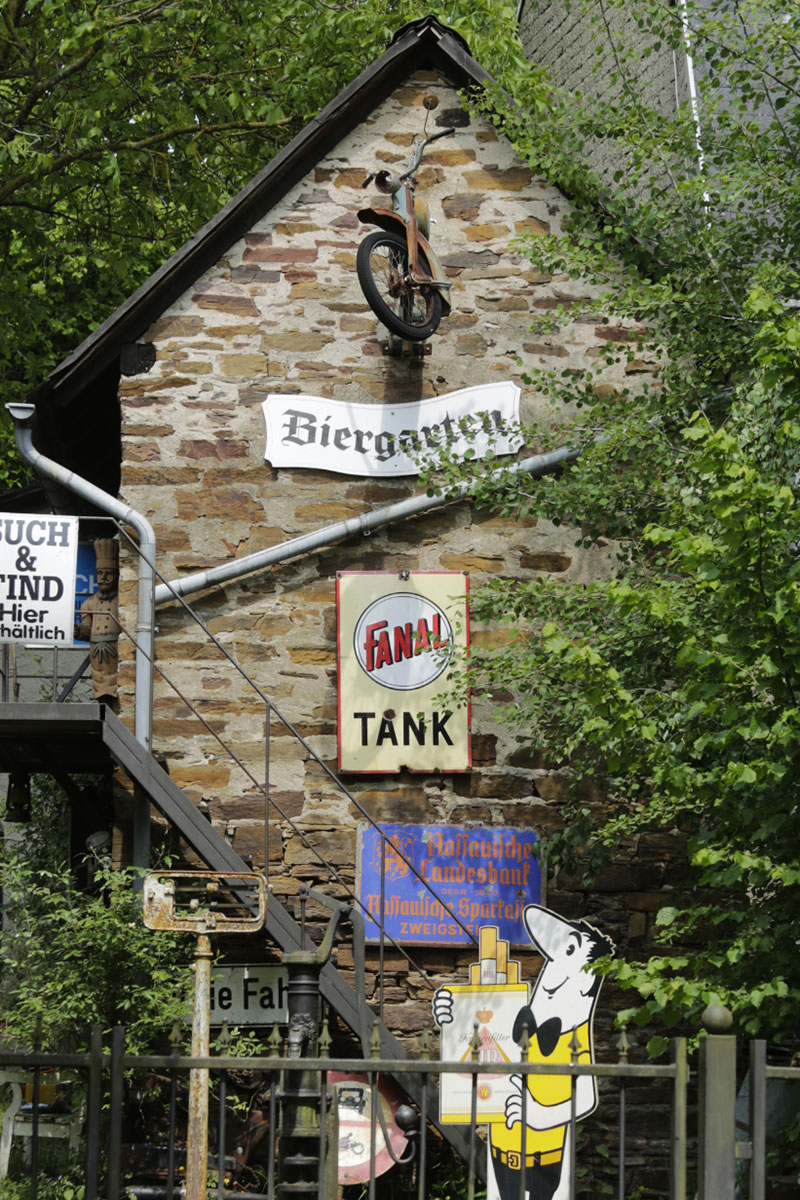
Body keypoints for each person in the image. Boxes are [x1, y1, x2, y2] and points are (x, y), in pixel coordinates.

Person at [76, 538, 121, 711]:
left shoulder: (122, 602)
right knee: (100, 688)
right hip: (97, 654)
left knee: (118, 687)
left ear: (117, 575)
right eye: (100, 573)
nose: (103, 578)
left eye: (108, 573)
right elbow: (88, 629)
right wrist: (79, 631)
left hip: (116, 650)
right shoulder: (89, 603)